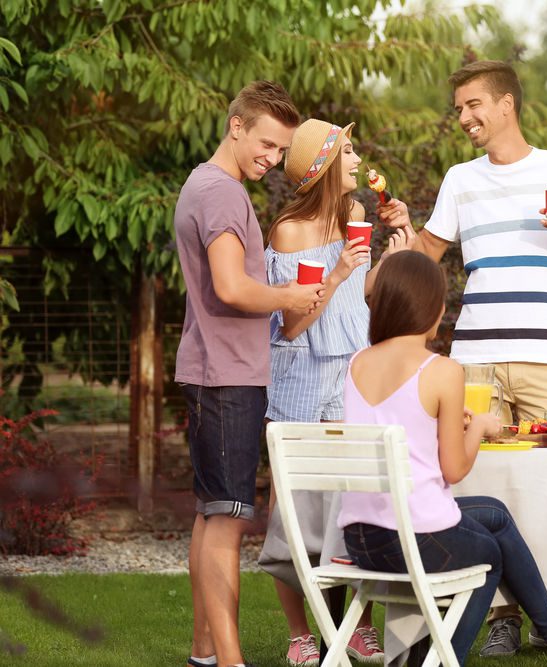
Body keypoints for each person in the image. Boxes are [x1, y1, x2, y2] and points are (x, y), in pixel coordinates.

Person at [376, 59, 547, 657]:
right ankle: (502, 616)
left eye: (472, 105)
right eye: (458, 108)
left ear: (506, 104)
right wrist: (405, 237)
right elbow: (428, 253)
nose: (464, 117)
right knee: (484, 479)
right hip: (476, 355)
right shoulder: (460, 179)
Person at [338, 250, 547, 667]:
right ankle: (439, 661)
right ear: (434, 308)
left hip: (362, 536)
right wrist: (479, 428)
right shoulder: (442, 369)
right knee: (489, 554)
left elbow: (399, 426)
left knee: (495, 514)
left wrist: (449, 421)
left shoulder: (357, 363)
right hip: (410, 536)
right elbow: (454, 469)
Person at [174, 81, 324, 667]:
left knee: (212, 515)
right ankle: (231, 662)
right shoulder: (221, 194)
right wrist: (290, 295)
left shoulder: (207, 185)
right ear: (236, 126)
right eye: (266, 143)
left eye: (282, 149)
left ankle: (205, 654)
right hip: (225, 375)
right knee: (227, 522)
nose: (274, 157)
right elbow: (232, 288)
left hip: (218, 370)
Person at [259, 118, 413, 665]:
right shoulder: (289, 233)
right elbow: (293, 323)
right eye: (347, 151)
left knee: (355, 500)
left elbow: (365, 294)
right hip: (302, 381)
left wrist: (399, 247)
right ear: (324, 166)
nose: (357, 159)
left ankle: (355, 626)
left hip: (350, 374)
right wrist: (343, 270)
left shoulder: (356, 216)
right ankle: (302, 632)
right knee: (292, 514)